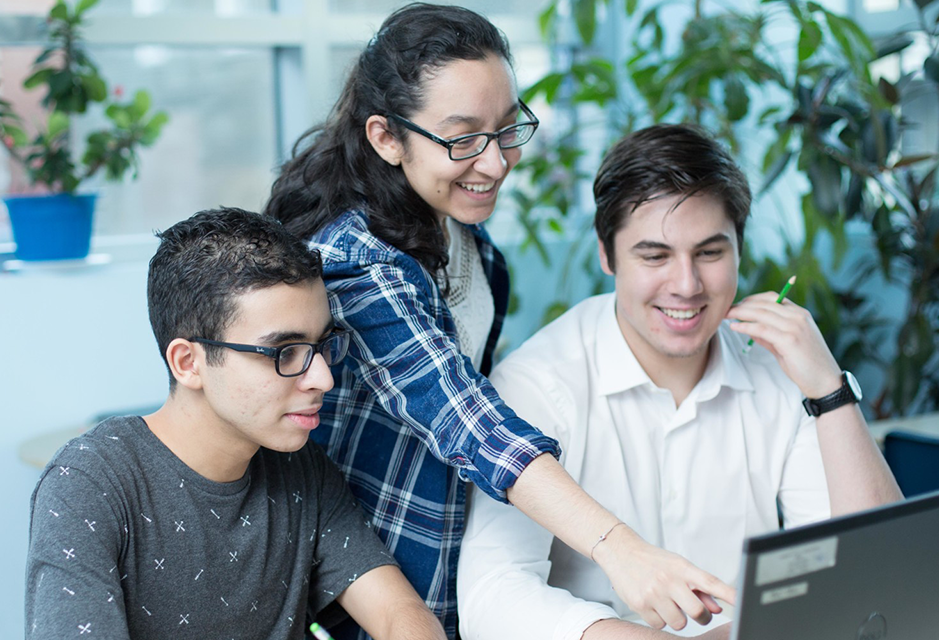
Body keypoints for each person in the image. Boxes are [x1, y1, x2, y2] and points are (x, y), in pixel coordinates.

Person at [265, 5, 734, 638]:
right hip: (367, 591)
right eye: (462, 139)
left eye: (507, 129)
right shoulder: (355, 264)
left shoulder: (474, 246)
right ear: (386, 137)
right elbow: (468, 420)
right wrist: (620, 548)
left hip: (458, 566)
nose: (495, 163)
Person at [456, 123, 904, 639]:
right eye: (655, 256)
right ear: (607, 255)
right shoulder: (538, 381)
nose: (687, 285)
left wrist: (829, 390)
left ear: (739, 249)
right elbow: (493, 598)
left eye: (710, 253)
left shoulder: (781, 369)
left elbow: (876, 577)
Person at [24, 208, 446, 640]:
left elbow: (399, 612)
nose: (324, 378)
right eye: (284, 352)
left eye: (321, 345)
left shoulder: (302, 468)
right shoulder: (89, 482)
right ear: (189, 363)